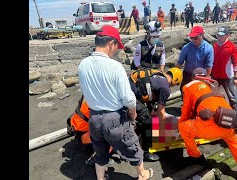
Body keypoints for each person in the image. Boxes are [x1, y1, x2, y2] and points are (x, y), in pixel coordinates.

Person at [78, 25, 153, 180]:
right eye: (117, 46)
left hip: (94, 117)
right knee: (131, 146)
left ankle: (100, 178)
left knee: (100, 150)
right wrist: (133, 112)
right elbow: (127, 97)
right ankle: (142, 174)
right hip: (114, 118)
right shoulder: (115, 66)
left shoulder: (83, 64)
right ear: (111, 43)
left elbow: (85, 92)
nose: (117, 50)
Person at [178, 67, 237, 180]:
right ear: (205, 76)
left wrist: (184, 124)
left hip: (208, 128)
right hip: (228, 122)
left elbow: (185, 112)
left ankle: (196, 158)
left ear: (192, 78)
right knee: (236, 145)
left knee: (183, 127)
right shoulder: (214, 84)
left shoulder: (189, 87)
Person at [129, 67, 183, 161]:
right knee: (148, 121)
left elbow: (150, 92)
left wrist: (153, 110)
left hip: (129, 88)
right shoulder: (165, 88)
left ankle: (138, 133)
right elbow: (161, 112)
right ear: (175, 81)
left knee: (145, 115)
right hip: (130, 96)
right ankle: (145, 153)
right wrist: (166, 128)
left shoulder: (158, 73)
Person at [176, 26, 214, 97]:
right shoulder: (186, 48)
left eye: (195, 38)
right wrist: (175, 76)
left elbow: (209, 65)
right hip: (188, 74)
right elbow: (179, 63)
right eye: (191, 38)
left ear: (202, 36)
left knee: (199, 93)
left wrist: (207, 77)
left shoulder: (208, 48)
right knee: (184, 91)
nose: (193, 40)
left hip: (201, 75)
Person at [212, 26, 237, 113]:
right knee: (212, 95)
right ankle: (215, 111)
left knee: (231, 97)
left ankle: (236, 114)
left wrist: (236, 78)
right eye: (218, 35)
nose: (219, 37)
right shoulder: (215, 45)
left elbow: (236, 63)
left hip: (227, 77)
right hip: (215, 76)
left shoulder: (232, 47)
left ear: (228, 35)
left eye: (222, 35)